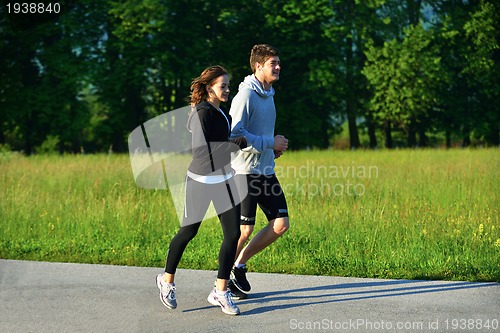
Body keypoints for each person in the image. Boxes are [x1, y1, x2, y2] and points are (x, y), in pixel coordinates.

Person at [156, 65, 247, 315]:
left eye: (228, 85)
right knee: (189, 231)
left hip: (225, 179)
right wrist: (235, 144)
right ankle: (166, 281)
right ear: (209, 88)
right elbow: (203, 152)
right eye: (223, 86)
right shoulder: (202, 114)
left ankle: (220, 290)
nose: (227, 90)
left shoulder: (220, 112)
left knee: (233, 233)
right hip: (200, 181)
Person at [228, 44, 289, 297]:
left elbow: (258, 134)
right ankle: (222, 280)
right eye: (272, 63)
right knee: (244, 231)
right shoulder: (245, 95)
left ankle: (238, 266)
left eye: (278, 62)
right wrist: (268, 143)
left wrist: (271, 148)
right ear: (258, 66)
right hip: (244, 172)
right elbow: (235, 134)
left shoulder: (269, 93)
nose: (277, 67)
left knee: (280, 224)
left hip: (265, 169)